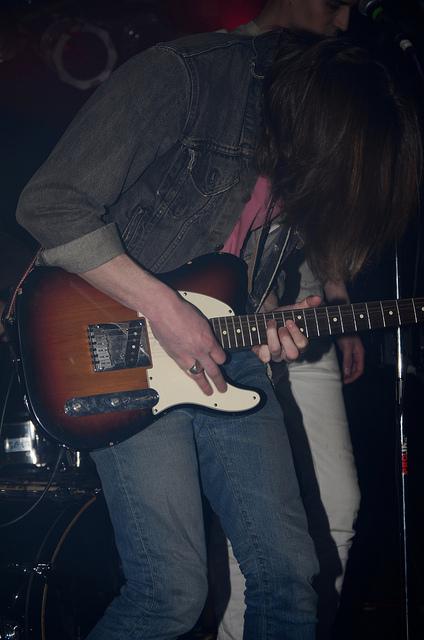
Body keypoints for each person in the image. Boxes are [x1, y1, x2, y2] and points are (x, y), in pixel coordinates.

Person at [16, 25, 421, 640]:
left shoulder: (302, 145)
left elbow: (237, 275)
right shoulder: (188, 75)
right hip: (119, 348)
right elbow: (48, 205)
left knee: (290, 579)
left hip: (225, 355)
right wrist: (165, 309)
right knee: (171, 594)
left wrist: (267, 326)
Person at [211, 2, 363, 639]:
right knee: (259, 514)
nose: (347, 20)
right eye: (335, 4)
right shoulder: (218, 63)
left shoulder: (331, 75)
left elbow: (324, 199)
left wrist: (340, 300)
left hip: (297, 293)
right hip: (225, 302)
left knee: (339, 505)